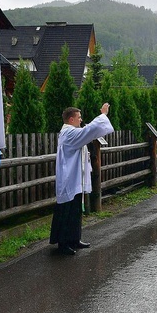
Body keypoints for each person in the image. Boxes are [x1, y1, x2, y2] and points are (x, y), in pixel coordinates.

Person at [49, 103, 114, 255]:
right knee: (67, 210)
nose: (81, 119)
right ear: (71, 119)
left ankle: (74, 239)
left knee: (75, 209)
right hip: (68, 179)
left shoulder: (72, 132)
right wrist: (103, 114)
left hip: (74, 178)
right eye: (78, 117)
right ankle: (63, 243)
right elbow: (89, 130)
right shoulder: (69, 133)